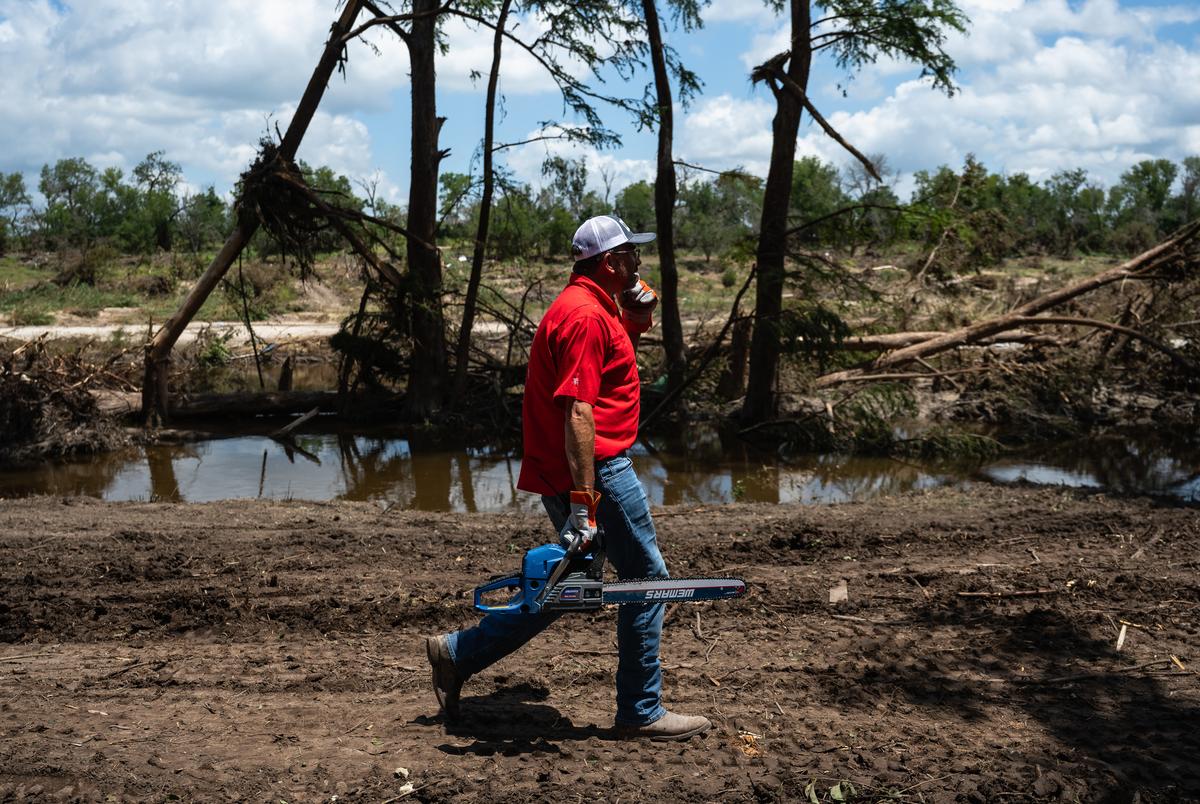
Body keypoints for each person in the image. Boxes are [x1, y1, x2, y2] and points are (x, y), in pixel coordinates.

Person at [424, 214, 711, 741]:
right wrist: (584, 504)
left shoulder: (591, 307)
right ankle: (641, 711)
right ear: (609, 263)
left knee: (569, 587)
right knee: (649, 579)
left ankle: (458, 653)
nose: (639, 262)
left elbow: (601, 370)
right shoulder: (582, 316)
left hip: (578, 468)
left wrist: (632, 318)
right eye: (631, 255)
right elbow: (578, 410)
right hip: (597, 468)